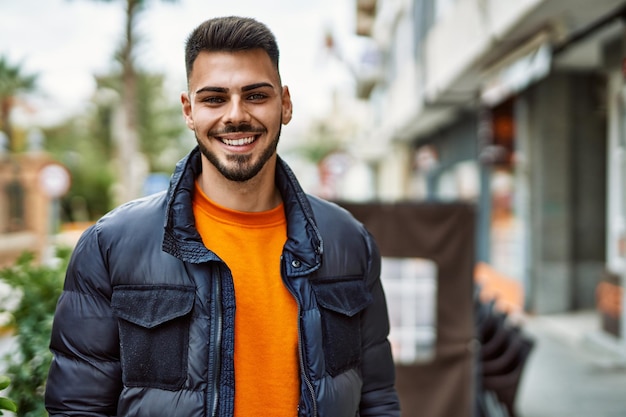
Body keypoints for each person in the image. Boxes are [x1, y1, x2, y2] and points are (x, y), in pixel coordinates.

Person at [45, 16, 400, 417]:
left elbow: (377, 401)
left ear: (285, 103)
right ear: (188, 110)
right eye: (214, 98)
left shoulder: (349, 243)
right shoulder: (110, 245)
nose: (236, 115)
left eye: (256, 95)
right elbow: (78, 408)